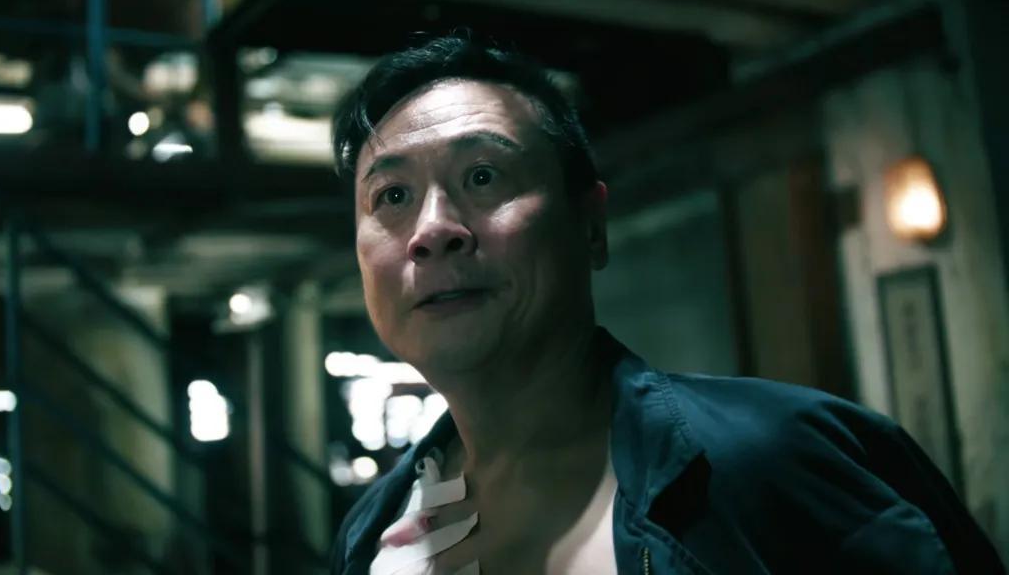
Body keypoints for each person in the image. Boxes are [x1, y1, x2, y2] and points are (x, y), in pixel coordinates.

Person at [327, 34, 1004, 575]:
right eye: (392, 196)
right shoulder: (373, 532)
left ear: (590, 225)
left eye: (483, 176)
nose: (432, 230)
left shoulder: (778, 462)